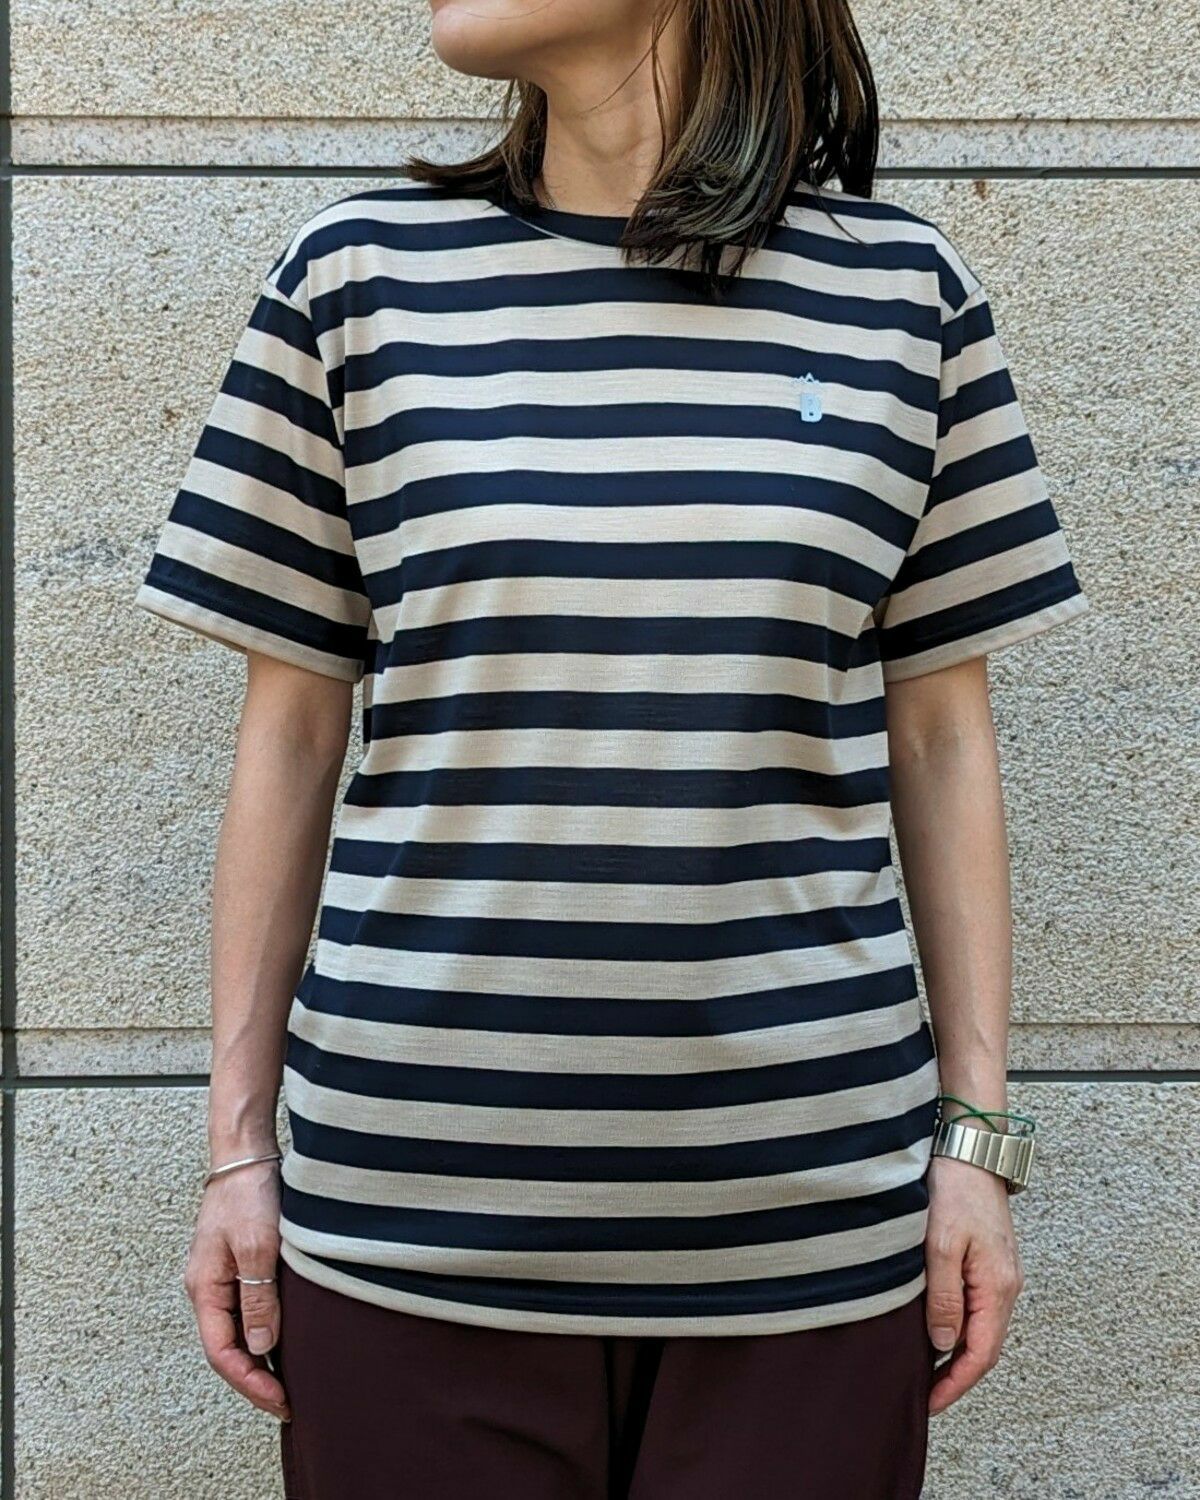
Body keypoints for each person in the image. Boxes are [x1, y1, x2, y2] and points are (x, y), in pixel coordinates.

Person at [133, 1, 1089, 1495]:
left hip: (809, 1230)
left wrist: (975, 1143)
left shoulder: (904, 294)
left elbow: (945, 739)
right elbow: (292, 732)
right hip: (406, 1220)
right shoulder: (358, 279)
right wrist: (238, 1151)